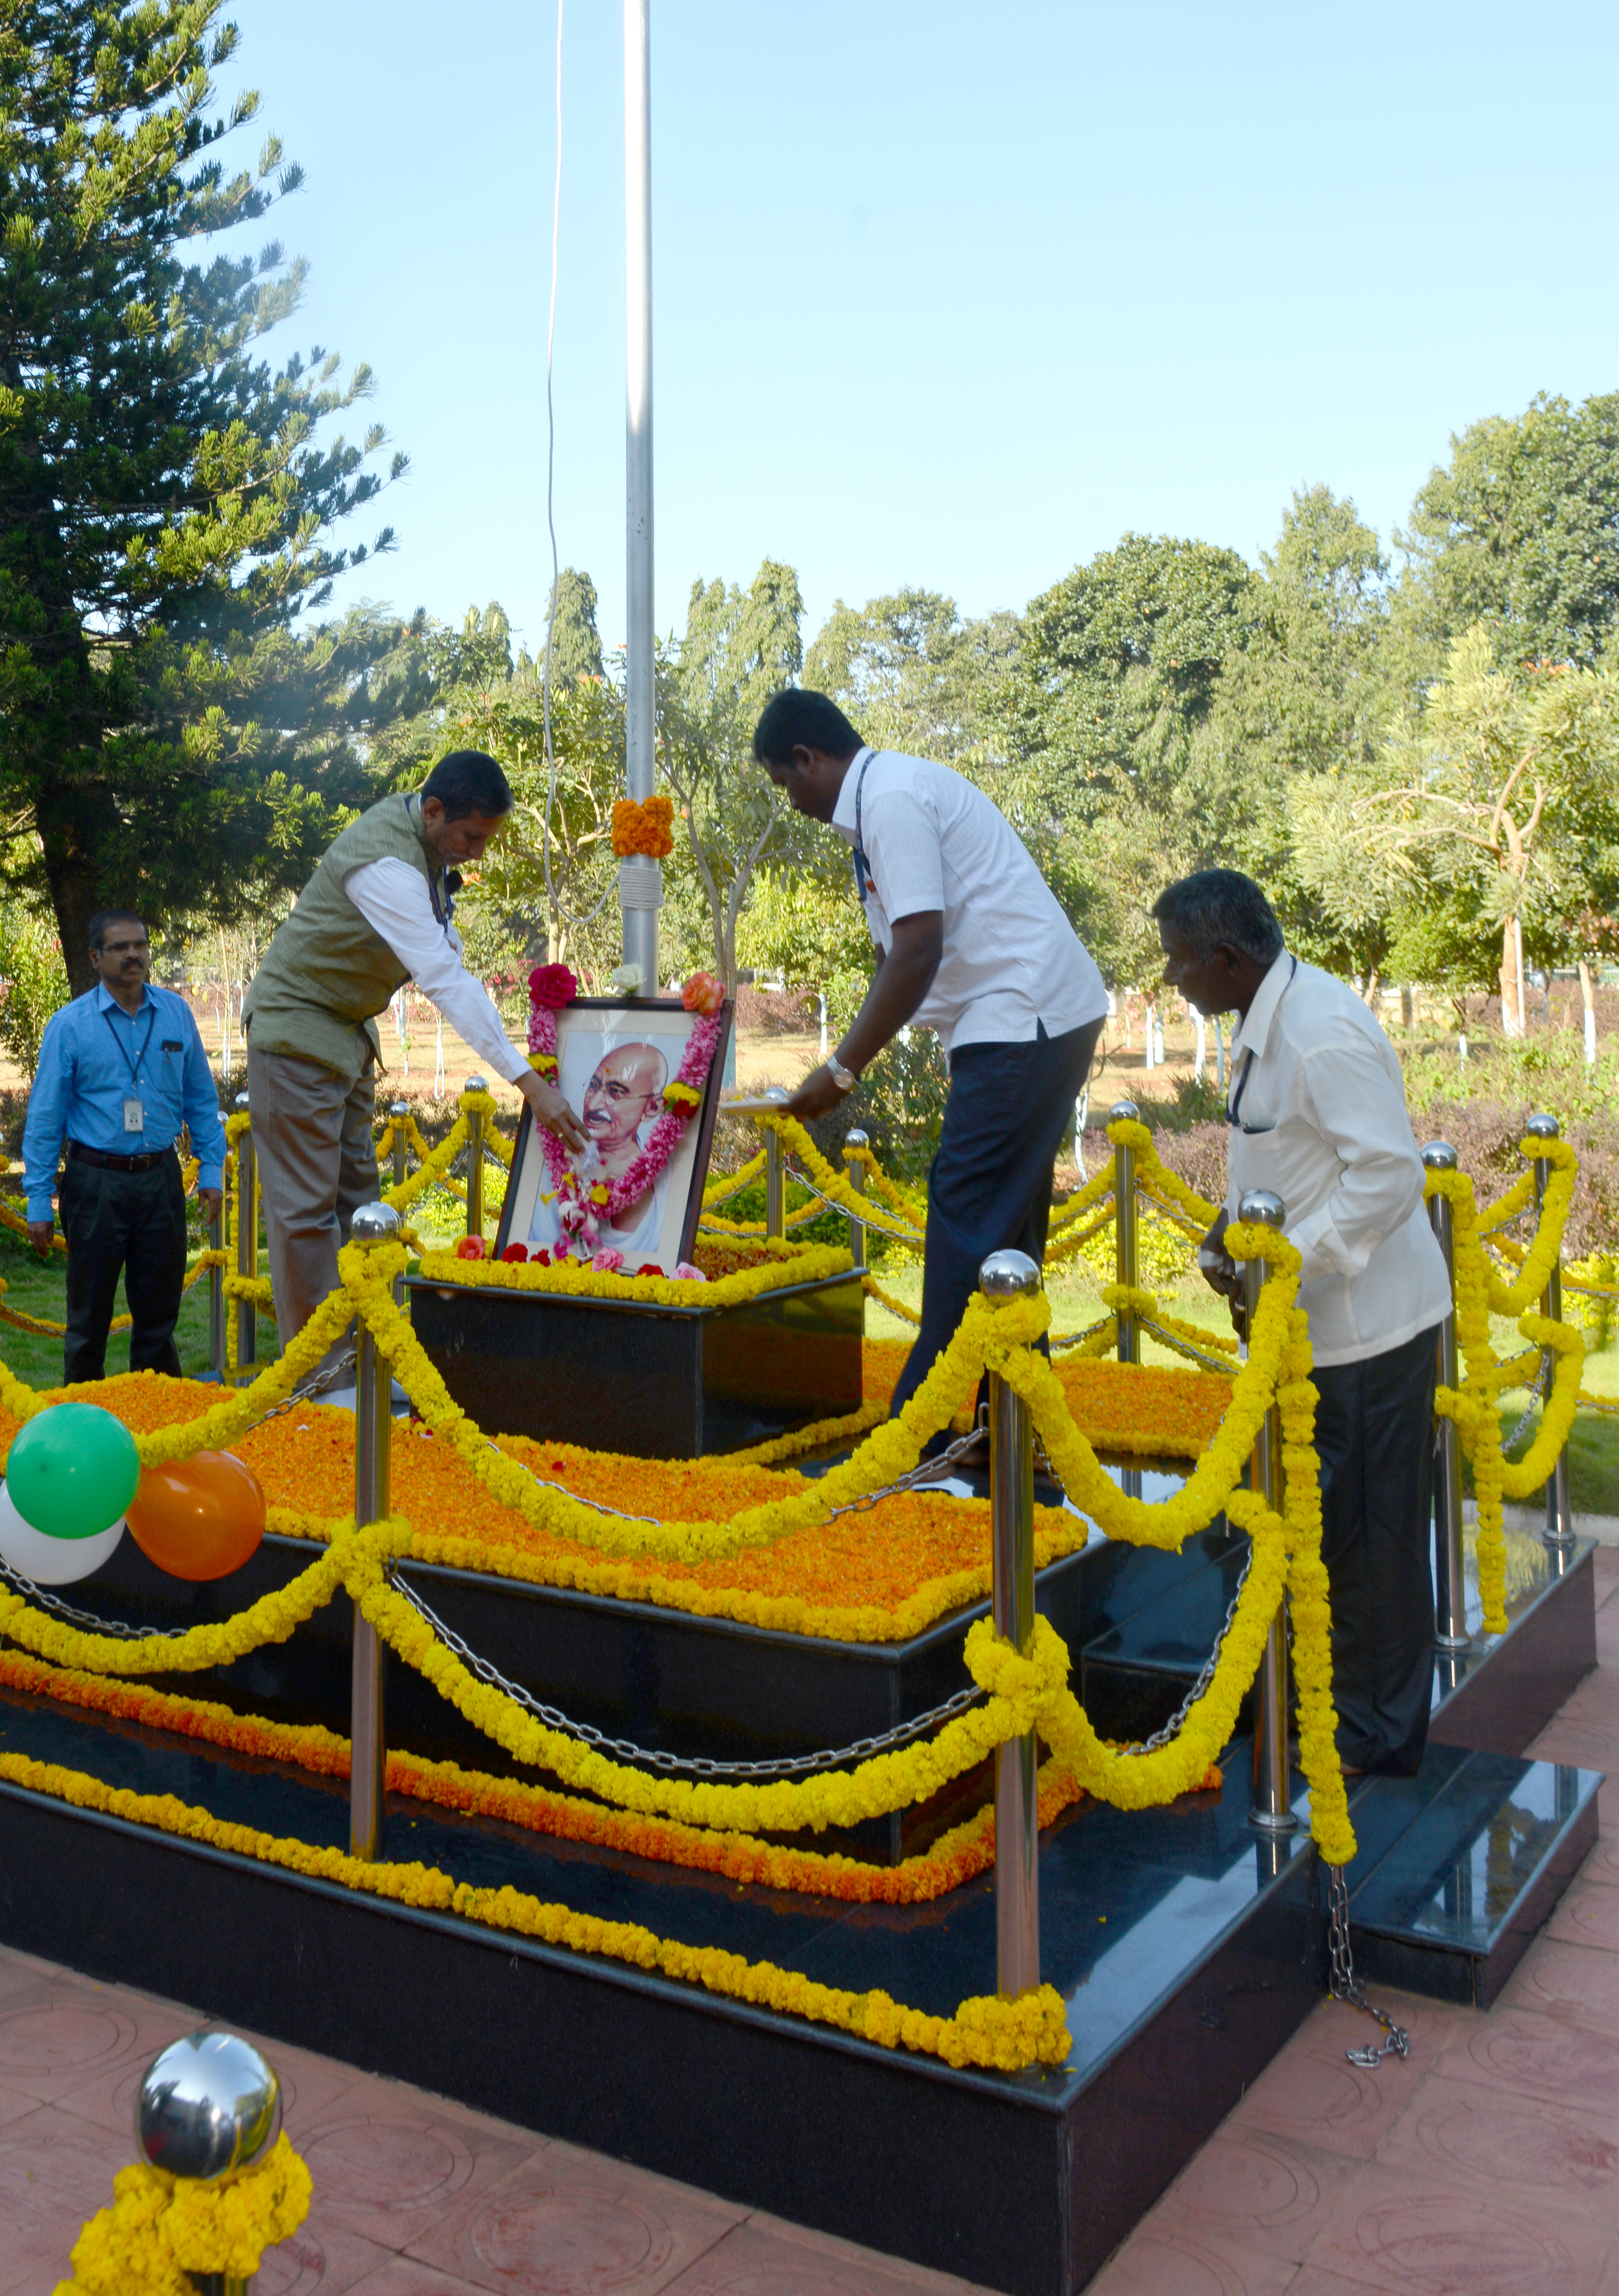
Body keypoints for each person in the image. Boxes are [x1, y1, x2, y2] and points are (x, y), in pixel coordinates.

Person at [1156, 867, 1448, 1780]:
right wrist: (1227, 1230)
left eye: (1177, 961)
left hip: (1366, 1330)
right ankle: (1331, 1702)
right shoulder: (1266, 1014)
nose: (1172, 978)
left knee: (1370, 1540)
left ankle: (1376, 1733)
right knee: (1331, 1529)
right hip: (1316, 1332)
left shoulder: (1318, 1032)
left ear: (1228, 957)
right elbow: (1285, 1151)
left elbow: (1387, 1175)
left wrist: (1286, 1258)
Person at [751, 687, 1106, 1427]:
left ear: (808, 758)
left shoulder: (892, 800)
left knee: (966, 1214)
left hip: (1026, 1016)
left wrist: (842, 1071)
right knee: (1006, 1235)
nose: (790, 803)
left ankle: (921, 1425)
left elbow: (918, 951)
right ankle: (1012, 1421)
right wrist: (844, 1064)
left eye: (787, 784)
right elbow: (895, 959)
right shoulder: (880, 806)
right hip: (1020, 1020)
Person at [246, 753, 586, 1403]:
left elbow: (447, 953)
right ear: (434, 812)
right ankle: (323, 1379)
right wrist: (530, 1084)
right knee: (307, 1217)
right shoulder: (386, 863)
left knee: (359, 1210)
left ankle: (371, 1356)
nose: (477, 854)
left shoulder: (425, 842)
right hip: (296, 1036)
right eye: (471, 838)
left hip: (344, 1038)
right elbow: (442, 978)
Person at [21, 908, 226, 1386]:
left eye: (141, 945)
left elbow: (201, 1099)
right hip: (96, 1184)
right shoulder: (70, 1026)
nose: (134, 955)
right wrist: (37, 1199)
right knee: (87, 1322)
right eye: (120, 947)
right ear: (95, 957)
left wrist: (212, 1172)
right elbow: (46, 1118)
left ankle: (154, 1432)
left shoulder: (175, 1013)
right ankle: (80, 1434)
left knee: (158, 1322)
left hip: (160, 1180)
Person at [525, 1035, 674, 1263]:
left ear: (653, 1108)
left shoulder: (671, 1178)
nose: (594, 1105)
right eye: (594, 1086)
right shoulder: (550, 1160)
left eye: (616, 1092)